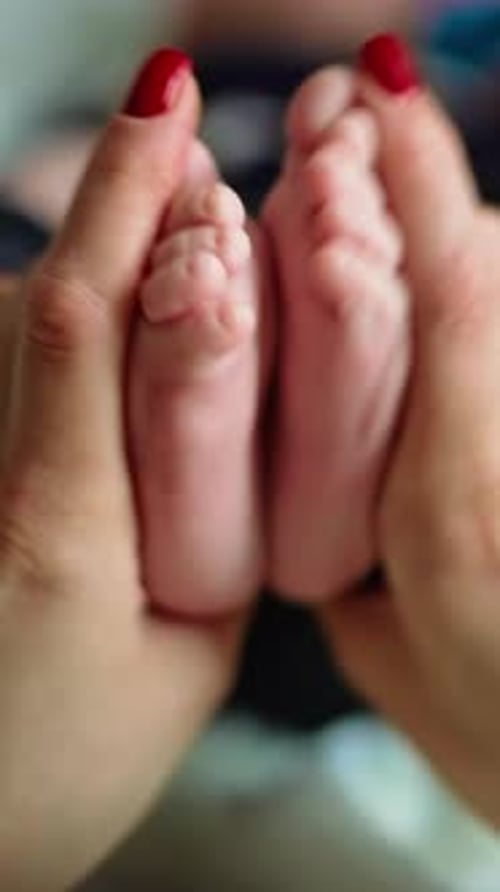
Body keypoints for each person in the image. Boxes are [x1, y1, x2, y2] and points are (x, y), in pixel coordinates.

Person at [2, 16, 500, 892]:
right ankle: (278, 432)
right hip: (365, 585)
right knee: (55, 256)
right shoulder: (116, 89)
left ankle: (233, 423)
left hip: (363, 541)